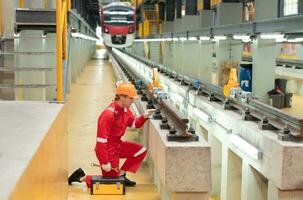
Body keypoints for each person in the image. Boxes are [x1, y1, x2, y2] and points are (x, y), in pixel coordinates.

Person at [68, 82, 156, 187]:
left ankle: (121, 175)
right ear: (122, 97)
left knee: (140, 151)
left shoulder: (125, 110)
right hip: (107, 150)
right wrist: (105, 162)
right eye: (131, 98)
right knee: (111, 182)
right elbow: (101, 142)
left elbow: (134, 124)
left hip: (117, 144)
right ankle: (81, 177)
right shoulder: (108, 115)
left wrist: (145, 116)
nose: (133, 101)